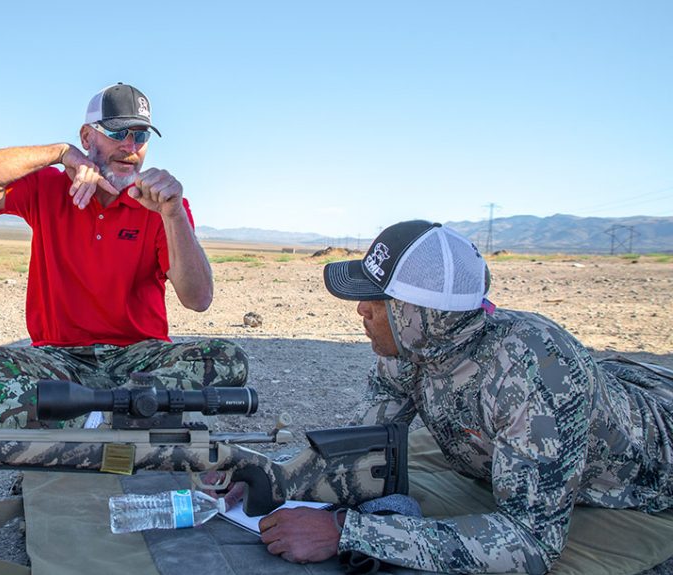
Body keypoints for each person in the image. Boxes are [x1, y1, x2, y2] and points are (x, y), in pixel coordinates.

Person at [258, 220, 673, 574]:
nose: (361, 310)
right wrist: (270, 478)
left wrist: (349, 532)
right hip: (583, 405)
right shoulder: (410, 347)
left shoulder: (533, 371)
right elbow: (366, 444)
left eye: (377, 299)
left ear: (418, 314)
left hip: (642, 469)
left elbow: (532, 544)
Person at [0, 83, 248, 429]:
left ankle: (77, 419)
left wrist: (173, 214)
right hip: (59, 359)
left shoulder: (161, 205)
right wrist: (59, 153)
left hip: (139, 360)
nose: (130, 147)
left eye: (141, 135)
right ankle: (122, 418)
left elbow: (198, 299)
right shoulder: (48, 189)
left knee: (229, 358)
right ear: (88, 137)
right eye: (116, 132)